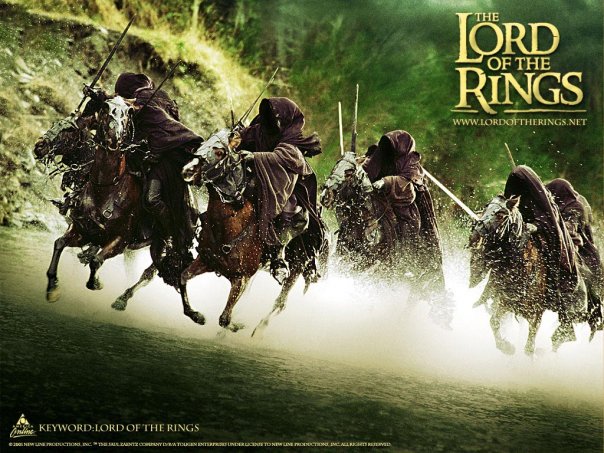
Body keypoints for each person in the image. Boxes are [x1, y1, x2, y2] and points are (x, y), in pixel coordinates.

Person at [236, 97, 323, 284]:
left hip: (287, 187)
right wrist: (235, 136)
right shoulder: (259, 131)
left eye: (276, 117)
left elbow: (282, 156)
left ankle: (278, 254)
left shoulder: (292, 139)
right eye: (269, 115)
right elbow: (243, 137)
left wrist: (255, 157)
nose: (273, 121)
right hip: (259, 179)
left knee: (287, 213)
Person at [362, 130, 445, 290]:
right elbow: (367, 169)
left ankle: (408, 263)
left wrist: (386, 182)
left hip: (405, 204)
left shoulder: (411, 161)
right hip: (380, 200)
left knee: (409, 225)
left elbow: (407, 183)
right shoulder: (380, 157)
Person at [546, 178, 603, 332]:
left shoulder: (575, 207)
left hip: (579, 248)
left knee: (579, 274)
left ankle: (574, 317)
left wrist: (558, 229)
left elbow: (570, 227)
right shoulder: (554, 206)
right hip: (558, 244)